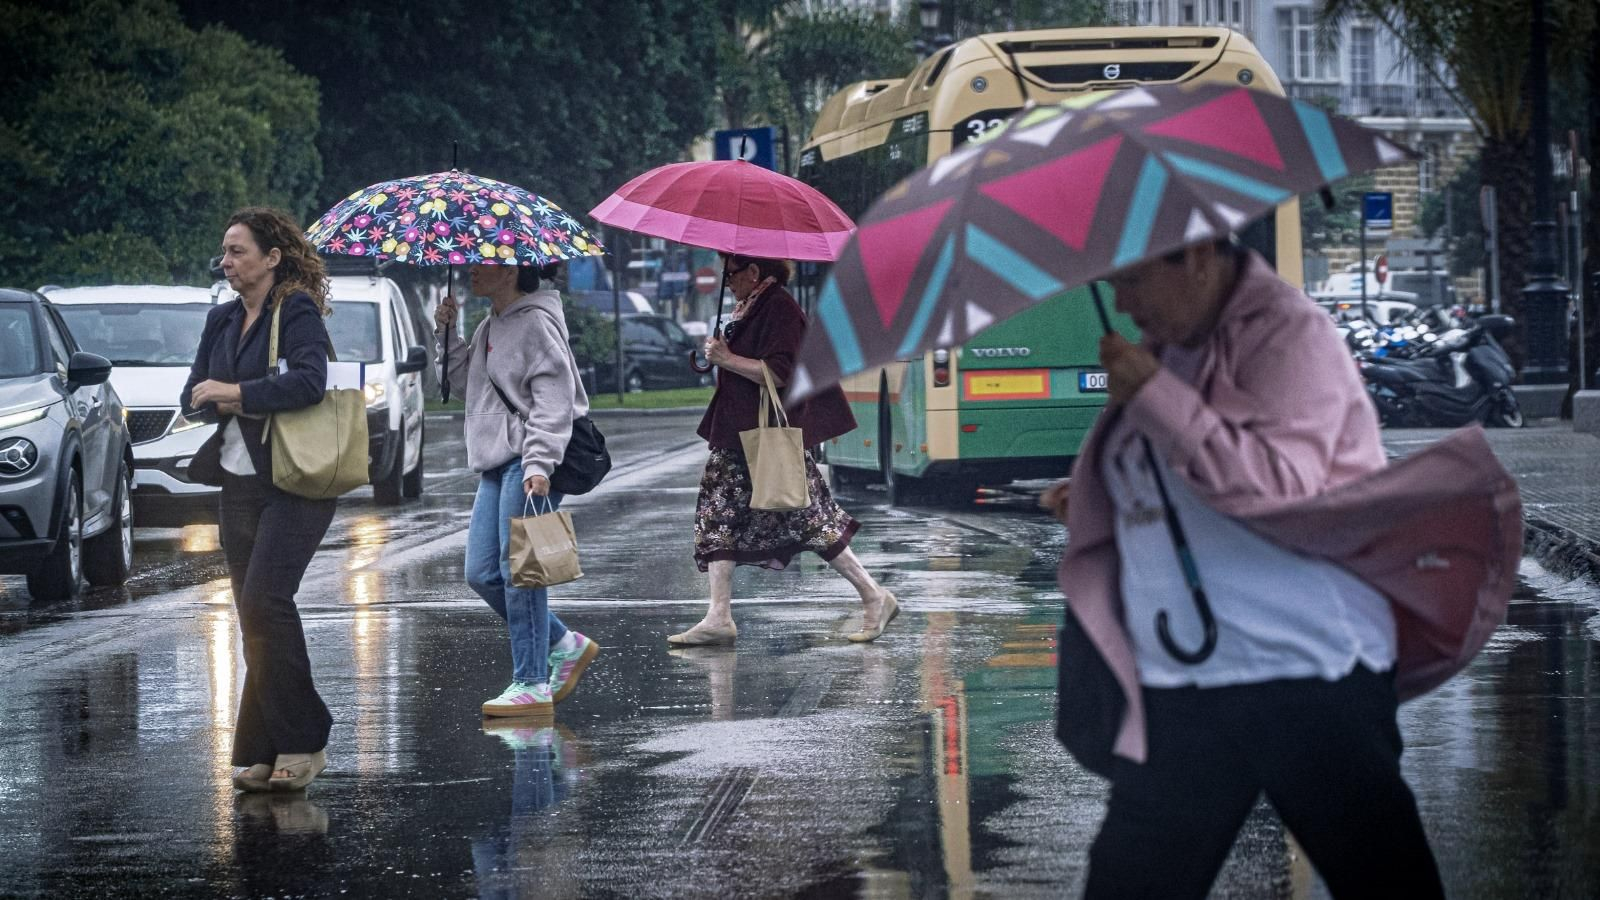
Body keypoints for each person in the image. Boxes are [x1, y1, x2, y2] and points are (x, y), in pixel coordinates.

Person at [1042, 239, 1446, 898]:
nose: (1121, 302)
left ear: (1198, 256)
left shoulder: (1292, 335)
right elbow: (1185, 475)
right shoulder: (1173, 342)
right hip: (1186, 679)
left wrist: (1153, 397)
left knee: (1382, 876)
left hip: (1304, 673)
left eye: (1135, 280)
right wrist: (1110, 501)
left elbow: (1285, 486)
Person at [183, 207, 338, 793]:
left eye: (238, 251)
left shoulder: (294, 310)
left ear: (272, 258)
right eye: (224, 252)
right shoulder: (222, 319)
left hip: (295, 482)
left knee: (267, 602)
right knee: (253, 613)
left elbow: (309, 381)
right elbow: (193, 391)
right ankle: (264, 748)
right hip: (238, 483)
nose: (226, 262)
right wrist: (215, 396)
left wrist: (238, 393)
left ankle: (304, 740)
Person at [669, 254, 895, 646]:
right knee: (718, 516)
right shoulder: (755, 304)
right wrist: (723, 354)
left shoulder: (781, 308)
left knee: (807, 520)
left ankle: (875, 595)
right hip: (739, 433)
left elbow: (780, 373)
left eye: (733, 273)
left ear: (755, 272)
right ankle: (719, 615)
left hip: (767, 435)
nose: (730, 281)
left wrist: (727, 358)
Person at [436, 261, 600, 718]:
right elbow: (460, 386)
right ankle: (563, 643)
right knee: (481, 572)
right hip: (494, 462)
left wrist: (539, 464)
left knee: (521, 572)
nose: (470, 268)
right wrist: (447, 335)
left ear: (511, 272)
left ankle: (530, 682)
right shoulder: (492, 322)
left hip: (527, 461)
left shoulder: (536, 324)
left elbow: (555, 401)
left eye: (482, 262)